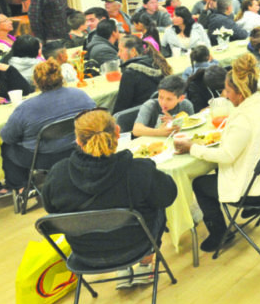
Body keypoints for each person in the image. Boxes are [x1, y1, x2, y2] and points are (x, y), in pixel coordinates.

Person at [41, 108, 177, 281]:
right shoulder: (139, 170)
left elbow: (50, 209)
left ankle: (125, 270)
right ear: (118, 132)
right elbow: (168, 196)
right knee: (156, 202)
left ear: (77, 140)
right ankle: (145, 263)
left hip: (85, 255)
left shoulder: (58, 173)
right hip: (135, 247)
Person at [171, 55, 260, 251]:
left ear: (240, 93)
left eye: (227, 91)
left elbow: (226, 156)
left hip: (256, 189)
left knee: (200, 183)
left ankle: (220, 233)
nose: (224, 95)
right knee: (217, 174)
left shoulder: (243, 117)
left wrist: (192, 147)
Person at [0, 59, 94, 194]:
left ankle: (23, 187)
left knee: (6, 146)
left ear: (35, 82)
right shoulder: (80, 95)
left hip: (43, 157)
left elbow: (8, 136)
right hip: (79, 149)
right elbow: (95, 119)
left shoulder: (26, 108)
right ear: (62, 77)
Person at [111, 36, 172, 115]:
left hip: (138, 116)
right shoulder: (158, 63)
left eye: (121, 50)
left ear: (133, 51)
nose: (118, 54)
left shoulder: (130, 73)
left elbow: (121, 106)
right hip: (161, 111)